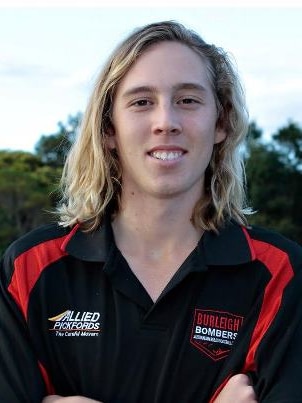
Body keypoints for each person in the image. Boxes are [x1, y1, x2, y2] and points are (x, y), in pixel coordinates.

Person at [0, 20, 301, 403]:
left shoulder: (281, 274)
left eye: (188, 100)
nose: (166, 123)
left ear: (220, 122)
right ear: (109, 128)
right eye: (142, 102)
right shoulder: (29, 269)